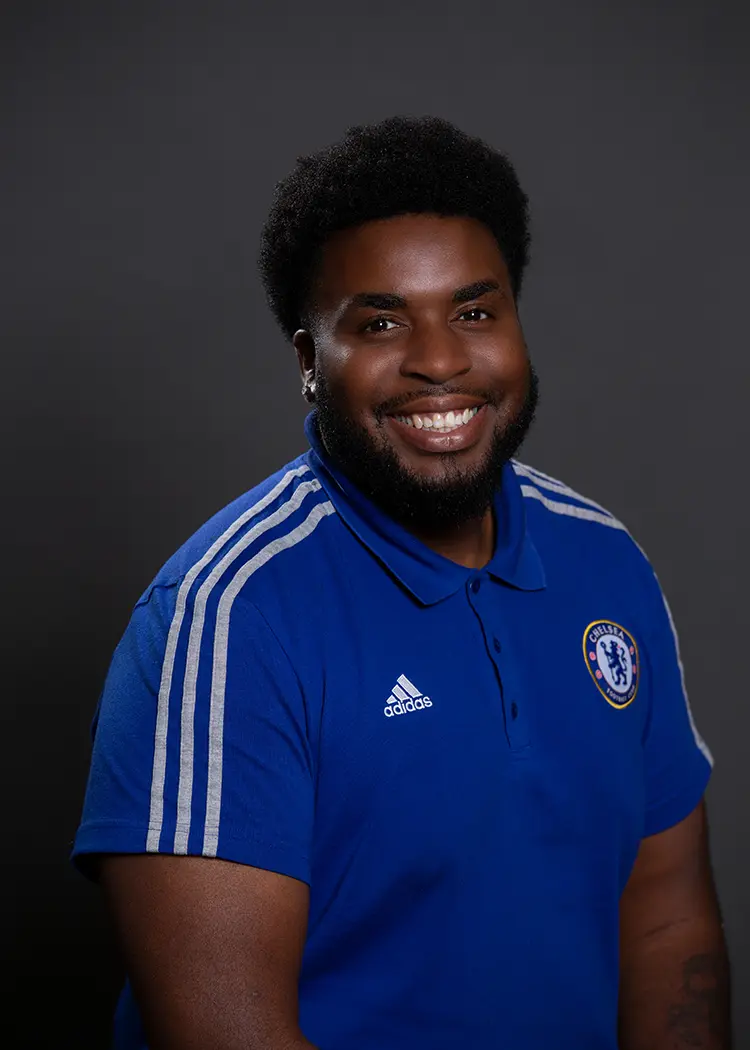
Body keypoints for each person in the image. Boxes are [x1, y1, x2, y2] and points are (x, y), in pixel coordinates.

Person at [73, 116, 731, 1050]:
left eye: (475, 312)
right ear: (310, 362)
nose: (440, 359)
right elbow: (224, 1033)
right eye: (380, 323)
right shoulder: (226, 618)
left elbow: (666, 921)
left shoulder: (605, 560)